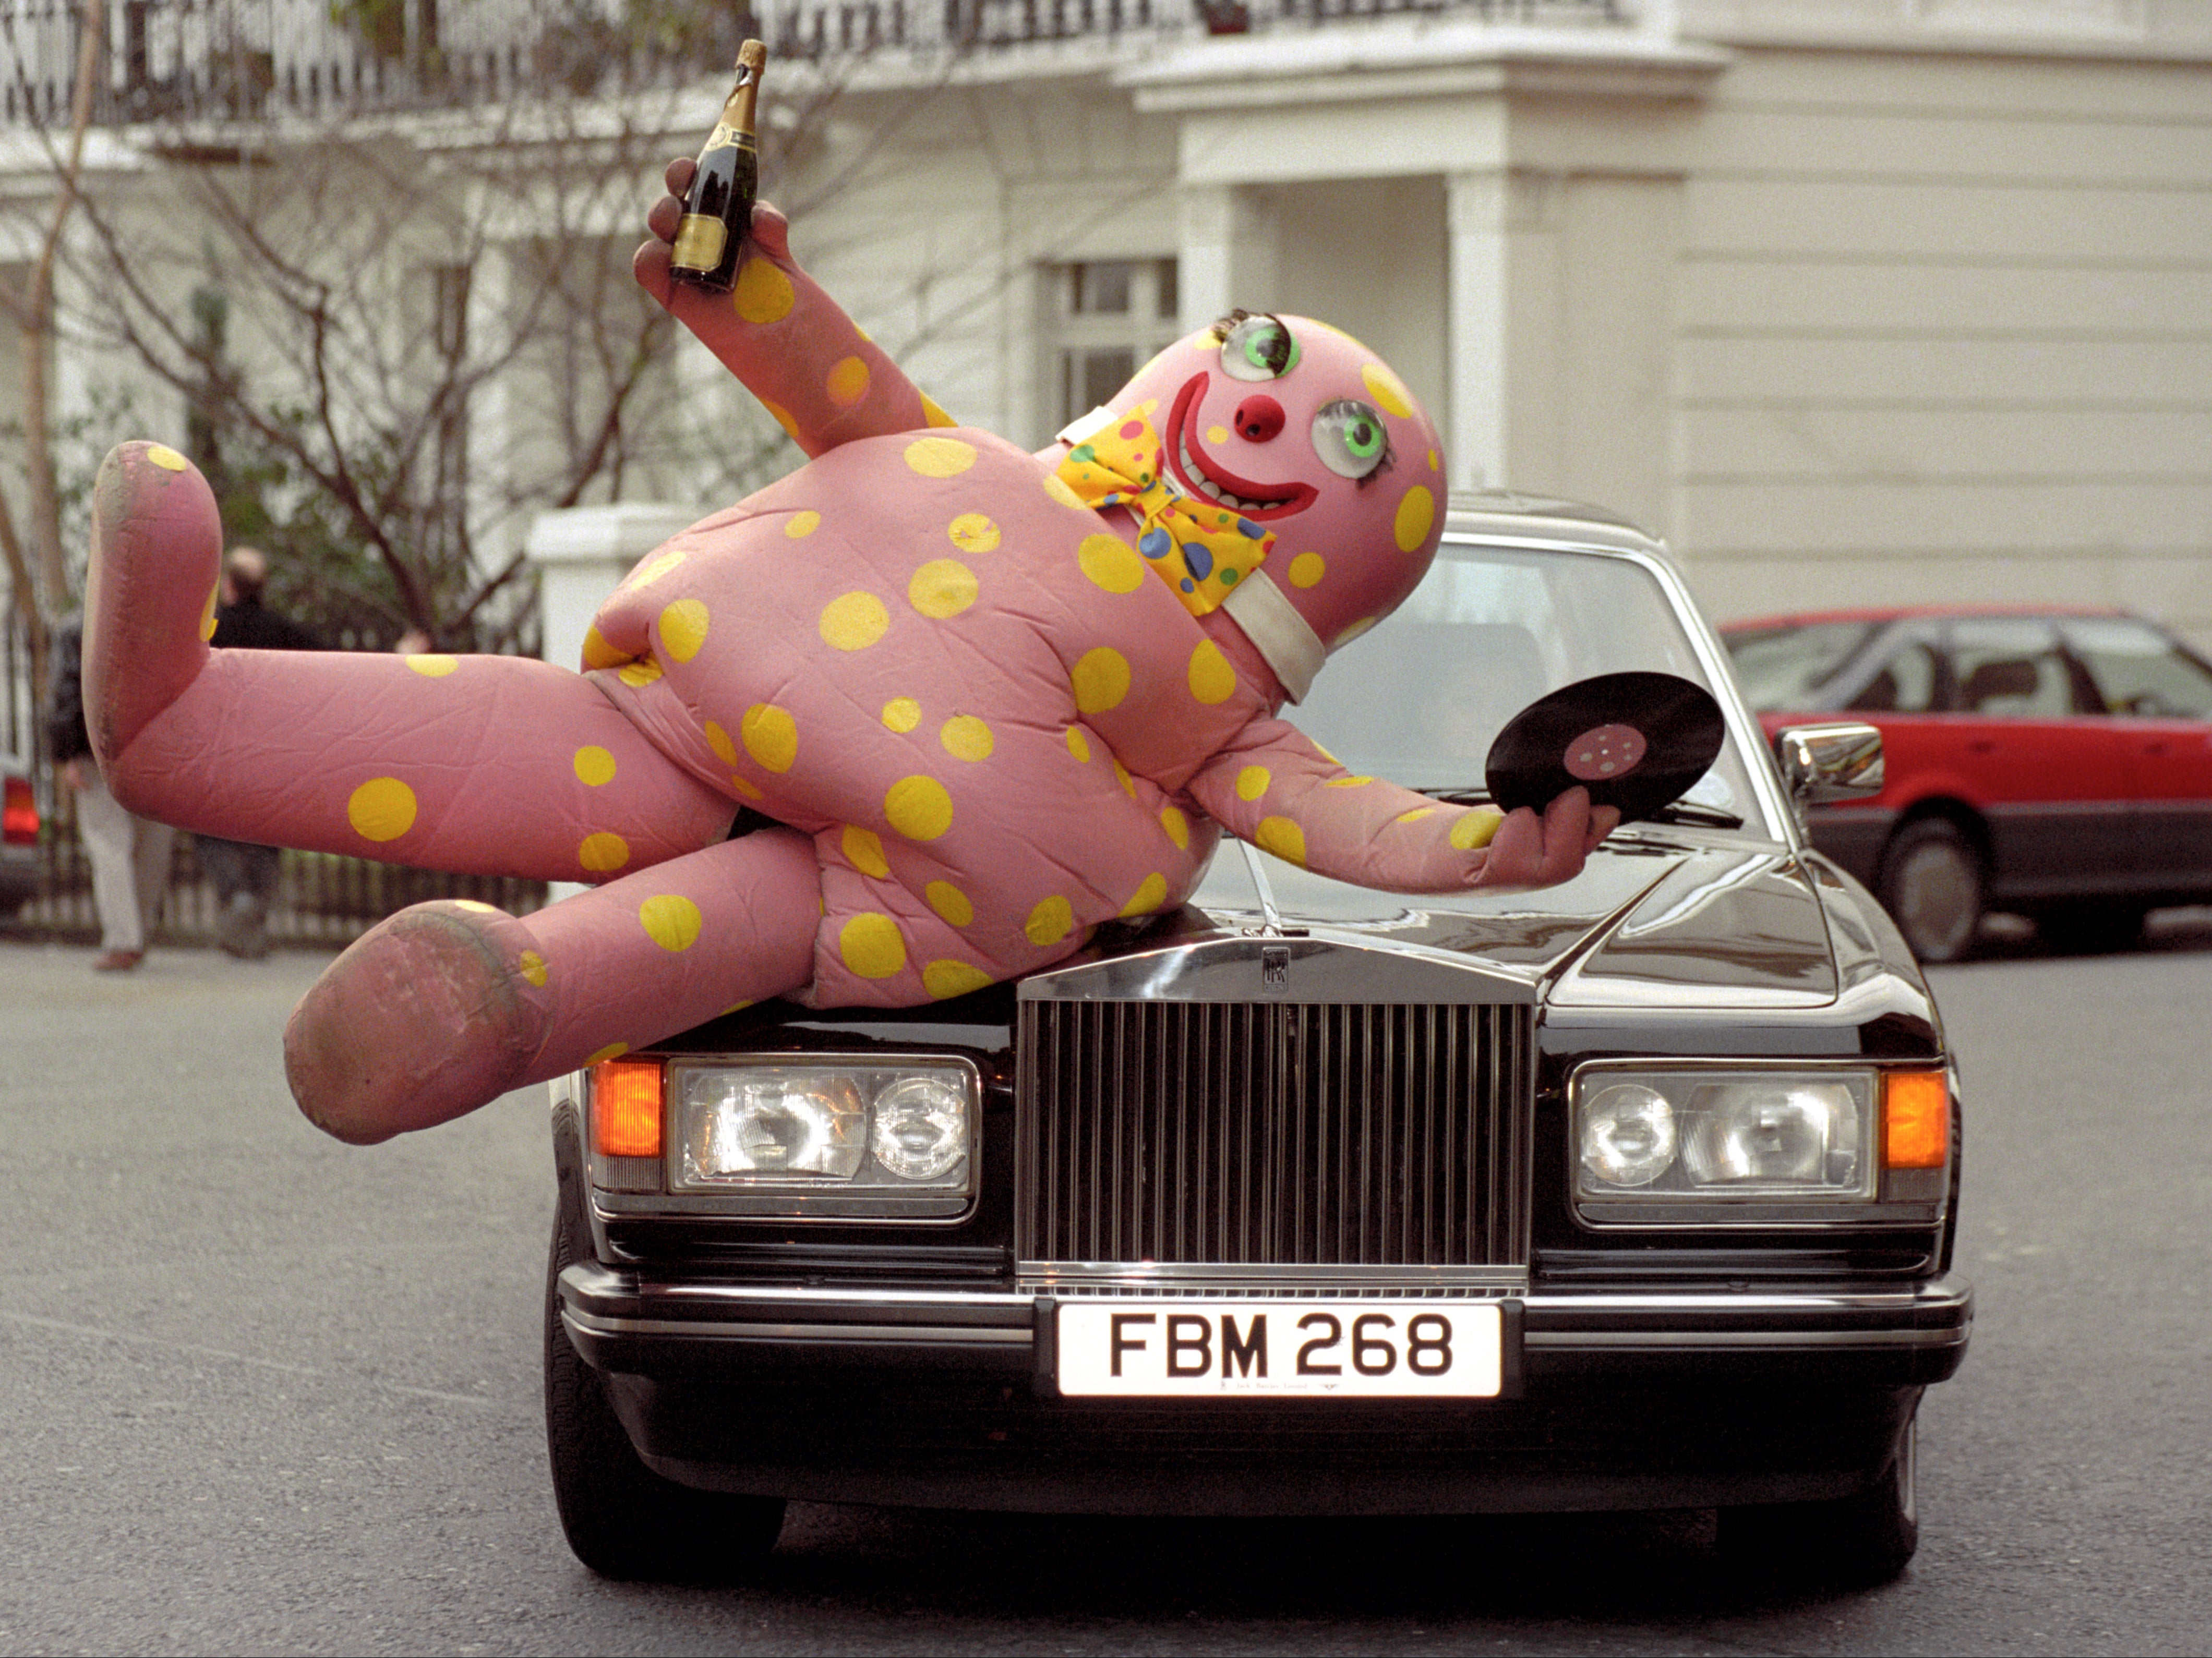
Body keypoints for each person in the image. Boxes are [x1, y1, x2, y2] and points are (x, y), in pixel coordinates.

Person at [197, 546, 323, 958]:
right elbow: (333, 664)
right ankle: (256, 910)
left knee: (210, 832)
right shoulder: (283, 630)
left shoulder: (210, 631)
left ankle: (236, 898)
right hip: (272, 752)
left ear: (229, 586)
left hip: (221, 749)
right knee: (266, 837)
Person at [46, 612, 175, 971]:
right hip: (157, 745)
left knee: (108, 843)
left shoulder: (78, 629)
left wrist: (68, 752)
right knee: (152, 842)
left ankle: (123, 938)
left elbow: (68, 690)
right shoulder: (161, 626)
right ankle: (141, 931)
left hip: (98, 746)